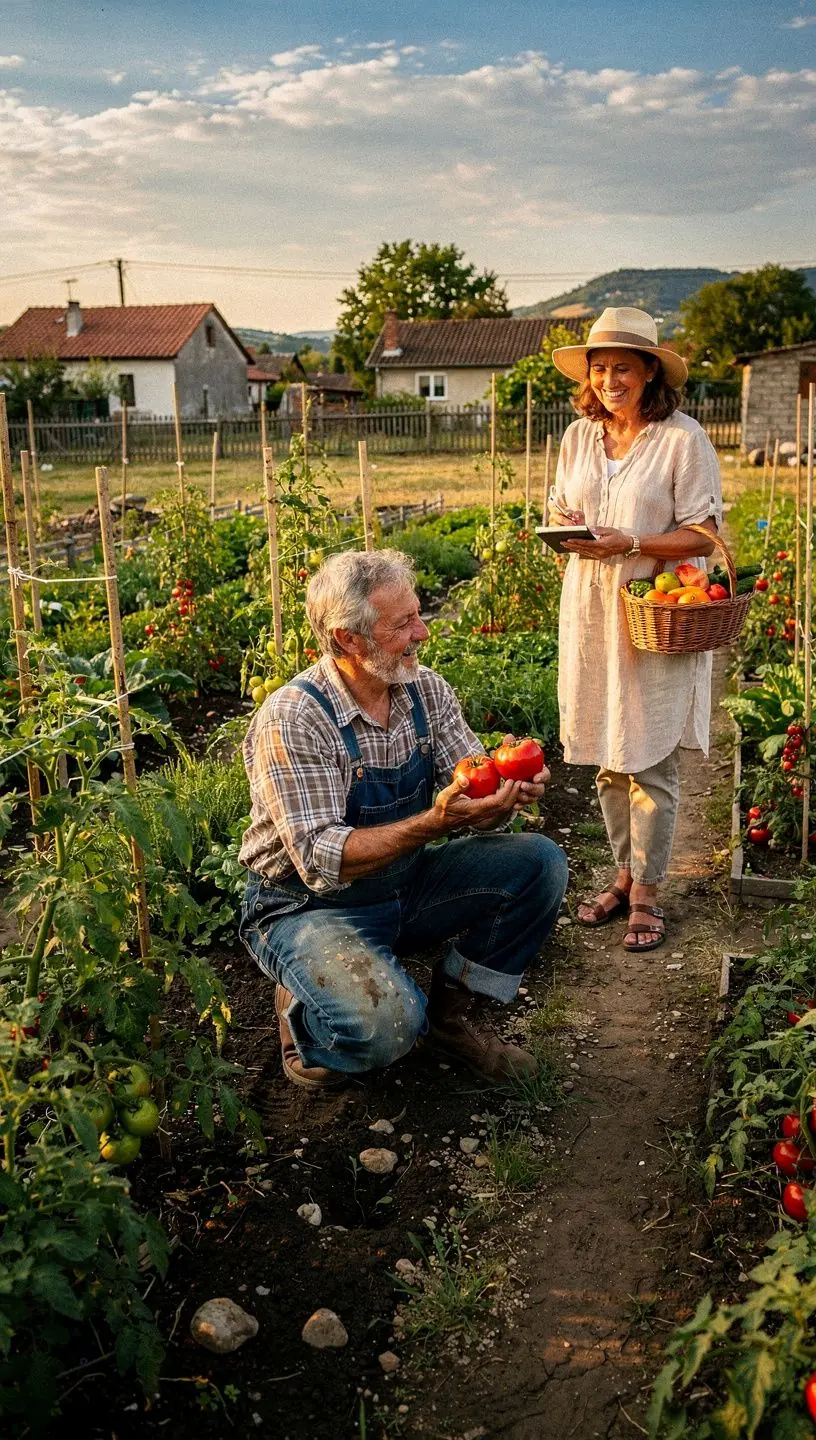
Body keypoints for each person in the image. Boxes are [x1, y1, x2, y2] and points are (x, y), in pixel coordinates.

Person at [238, 548, 568, 1091]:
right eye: (404, 623)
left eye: (418, 614)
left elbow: (471, 788)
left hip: (403, 884)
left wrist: (504, 794)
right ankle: (305, 1010)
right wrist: (433, 824)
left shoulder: (425, 690)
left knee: (539, 863)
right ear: (349, 638)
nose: (423, 632)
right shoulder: (295, 718)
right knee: (388, 1028)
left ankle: (453, 1021)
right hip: (308, 904)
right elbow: (323, 859)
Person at [547, 307, 722, 952]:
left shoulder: (682, 440)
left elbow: (704, 533)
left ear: (650, 371)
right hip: (591, 609)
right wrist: (566, 532)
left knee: (647, 755)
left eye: (623, 366)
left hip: (655, 610)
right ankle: (622, 876)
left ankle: (648, 891)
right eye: (599, 367)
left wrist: (632, 543)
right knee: (604, 749)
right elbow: (566, 510)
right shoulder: (576, 439)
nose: (609, 378)